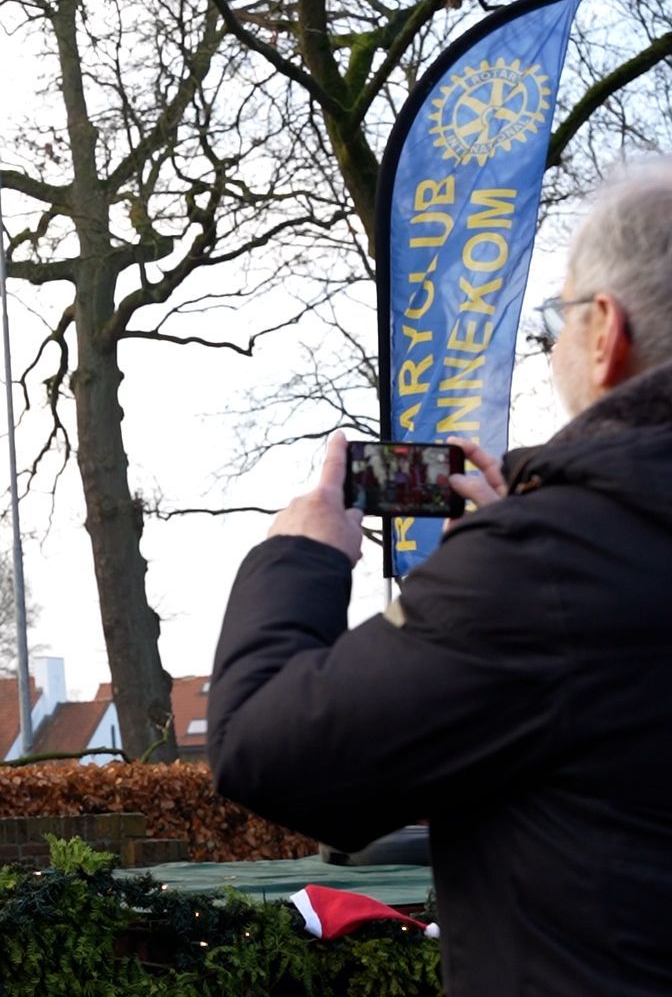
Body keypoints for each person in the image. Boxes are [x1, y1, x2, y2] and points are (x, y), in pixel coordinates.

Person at [208, 165, 672, 996]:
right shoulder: (559, 554)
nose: (555, 345)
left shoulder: (554, 564)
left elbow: (266, 750)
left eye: (558, 320)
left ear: (605, 331)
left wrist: (302, 555)